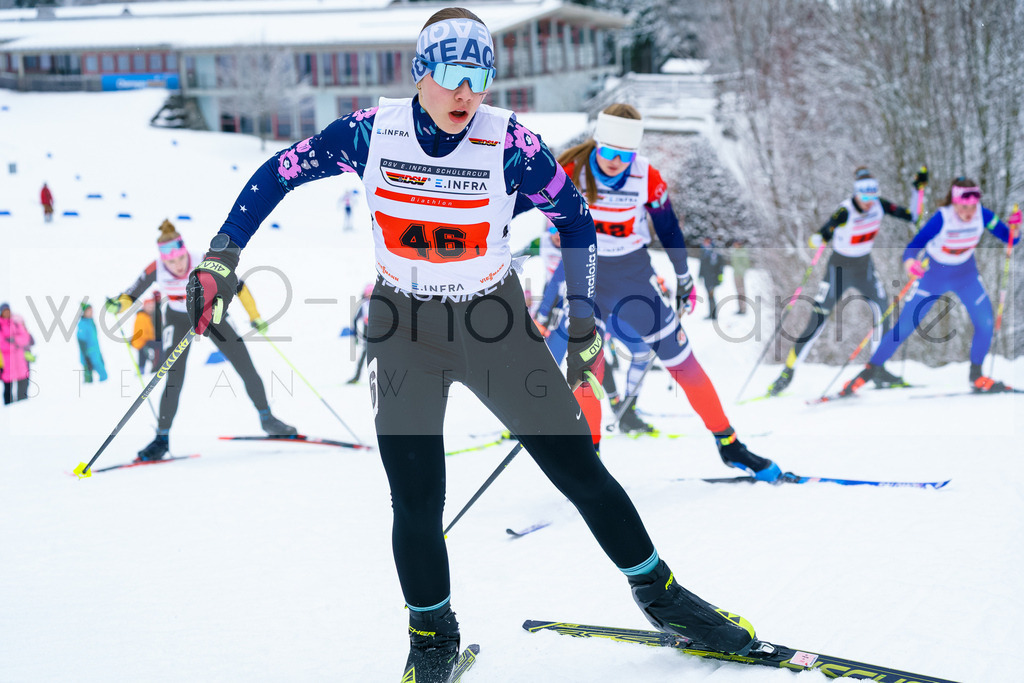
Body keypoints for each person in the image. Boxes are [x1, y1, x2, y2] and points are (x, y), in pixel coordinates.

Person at [183, 9, 758, 681]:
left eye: (479, 76)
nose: (466, 92)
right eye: (452, 74)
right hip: (404, 327)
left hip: (495, 324)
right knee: (417, 499)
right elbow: (278, 173)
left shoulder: (511, 143)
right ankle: (432, 637)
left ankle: (663, 597)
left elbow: (574, 219)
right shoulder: (369, 134)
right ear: (420, 73)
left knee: (579, 471)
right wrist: (220, 260)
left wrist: (580, 324)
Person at [551, 103, 781, 482]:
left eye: (625, 156)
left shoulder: (646, 176)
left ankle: (730, 444)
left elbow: (670, 229)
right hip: (586, 278)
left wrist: (684, 278)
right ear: (597, 144)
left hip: (633, 277)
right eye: (608, 152)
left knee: (683, 362)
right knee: (587, 371)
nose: (615, 162)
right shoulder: (571, 170)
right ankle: (590, 462)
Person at [107, 219, 296, 461]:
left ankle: (268, 419)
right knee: (173, 378)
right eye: (170, 262)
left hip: (211, 314)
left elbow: (239, 286)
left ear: (185, 252)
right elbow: (131, 294)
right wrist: (117, 304)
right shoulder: (156, 267)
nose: (176, 266)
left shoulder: (204, 261)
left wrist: (255, 317)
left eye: (179, 259)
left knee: (244, 364)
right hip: (177, 319)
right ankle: (161, 439)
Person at [839, 177, 1020, 396]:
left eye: (973, 206)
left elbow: (1010, 239)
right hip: (934, 275)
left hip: (966, 275)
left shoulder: (984, 215)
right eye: (964, 206)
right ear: (954, 202)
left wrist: (1014, 228)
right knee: (905, 326)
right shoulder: (942, 218)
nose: (969, 212)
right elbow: (914, 246)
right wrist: (910, 263)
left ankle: (977, 375)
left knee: (986, 322)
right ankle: (869, 372)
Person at [766, 166, 925, 397]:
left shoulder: (880, 205)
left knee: (883, 312)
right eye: (865, 196)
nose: (869, 202)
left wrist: (917, 190)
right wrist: (819, 237)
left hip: (864, 268)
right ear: (856, 194)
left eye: (872, 196)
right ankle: (787, 372)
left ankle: (877, 370)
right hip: (838, 269)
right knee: (818, 318)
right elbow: (825, 231)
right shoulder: (845, 210)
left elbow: (913, 216)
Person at [0, 302, 33, 404]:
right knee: (8, 386)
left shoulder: (16, 323)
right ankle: (8, 406)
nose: (6, 313)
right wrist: (15, 344)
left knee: (23, 383)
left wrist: (14, 340)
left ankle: (22, 405)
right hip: (6, 362)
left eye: (8, 311)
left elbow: (25, 338)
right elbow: (2, 344)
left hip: (20, 360)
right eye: (4, 312)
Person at [346, 283, 373, 384]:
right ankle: (356, 377)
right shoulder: (364, 305)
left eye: (371, 294)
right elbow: (355, 320)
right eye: (368, 294)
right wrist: (356, 335)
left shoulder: (378, 303)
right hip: (368, 332)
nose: (369, 296)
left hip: (378, 333)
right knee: (364, 355)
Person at [76, 302, 108, 383]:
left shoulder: (91, 322)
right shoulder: (82, 324)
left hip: (96, 353)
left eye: (92, 310)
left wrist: (99, 353)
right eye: (89, 311)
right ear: (84, 312)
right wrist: (86, 358)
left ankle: (103, 390)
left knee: (103, 375)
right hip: (88, 355)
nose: (91, 312)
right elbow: (81, 342)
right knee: (88, 379)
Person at [131, 294, 162, 373]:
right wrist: (153, 338)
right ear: (144, 306)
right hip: (142, 341)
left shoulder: (148, 316)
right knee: (159, 344)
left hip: (144, 341)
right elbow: (142, 333)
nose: (151, 308)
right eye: (149, 306)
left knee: (143, 356)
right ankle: (156, 366)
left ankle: (142, 369)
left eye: (152, 306)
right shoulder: (141, 317)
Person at [698, 236, 724, 320]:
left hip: (712, 278)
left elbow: (719, 267)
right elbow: (702, 266)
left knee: (711, 295)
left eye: (707, 242)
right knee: (709, 296)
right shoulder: (704, 252)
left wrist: (719, 278)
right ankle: (711, 313)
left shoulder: (714, 253)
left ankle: (713, 314)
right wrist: (700, 275)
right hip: (707, 278)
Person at [730, 238, 750, 314]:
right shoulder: (735, 251)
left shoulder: (743, 252)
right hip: (736, 274)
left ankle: (743, 308)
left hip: (740, 275)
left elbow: (746, 264)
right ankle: (740, 308)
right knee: (738, 291)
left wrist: (741, 273)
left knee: (741, 291)